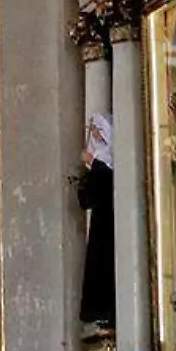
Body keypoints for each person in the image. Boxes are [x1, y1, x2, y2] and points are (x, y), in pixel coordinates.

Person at [77, 114, 115, 328]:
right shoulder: (100, 165)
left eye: (97, 130)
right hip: (102, 224)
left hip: (108, 225)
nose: (93, 134)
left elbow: (91, 195)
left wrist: (91, 164)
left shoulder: (104, 165)